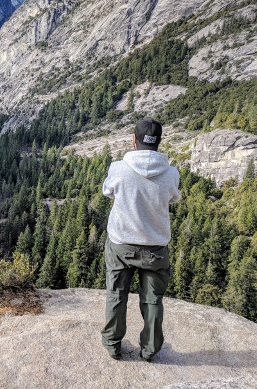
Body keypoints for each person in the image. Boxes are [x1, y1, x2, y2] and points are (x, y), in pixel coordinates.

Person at [100, 118, 181, 362]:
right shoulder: (171, 173)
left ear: (134, 140)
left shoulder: (118, 168)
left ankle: (113, 345)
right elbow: (174, 198)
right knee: (153, 300)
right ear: (159, 143)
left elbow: (107, 191)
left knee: (116, 295)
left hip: (121, 244)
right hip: (155, 247)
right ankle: (150, 350)